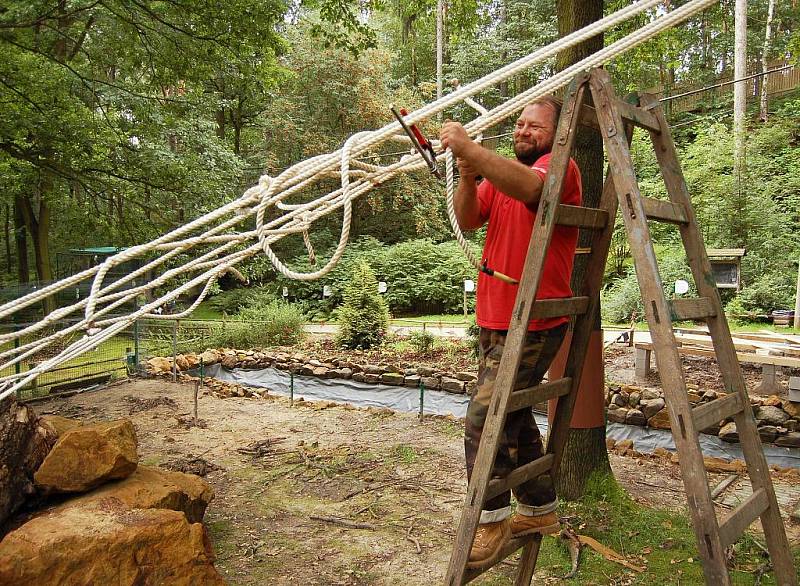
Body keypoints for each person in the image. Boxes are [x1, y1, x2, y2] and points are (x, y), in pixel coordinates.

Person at [439, 96, 581, 569]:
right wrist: (465, 174)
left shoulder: (558, 169)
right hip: (497, 316)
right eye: (519, 123)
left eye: (535, 126)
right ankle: (540, 510)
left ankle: (493, 517)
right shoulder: (499, 176)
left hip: (535, 320)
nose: (523, 130)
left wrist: (474, 152)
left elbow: (530, 189)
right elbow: (466, 219)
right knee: (515, 419)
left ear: (558, 135)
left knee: (486, 417)